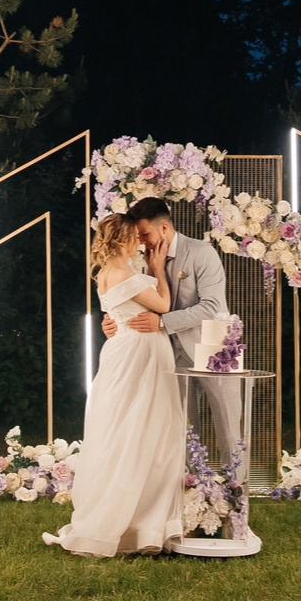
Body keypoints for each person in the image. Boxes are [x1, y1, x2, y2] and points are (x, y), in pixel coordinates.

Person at [47, 213, 187, 556]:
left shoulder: (103, 276)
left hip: (120, 349)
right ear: (123, 240)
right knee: (147, 429)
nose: (140, 243)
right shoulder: (130, 275)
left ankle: (136, 518)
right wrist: (157, 272)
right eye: (135, 238)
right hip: (142, 353)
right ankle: (141, 521)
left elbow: (118, 313)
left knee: (120, 426)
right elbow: (165, 306)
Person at [103, 197, 241, 470]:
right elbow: (127, 297)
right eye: (137, 237)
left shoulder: (201, 253)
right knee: (183, 430)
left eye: (145, 235)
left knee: (229, 428)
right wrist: (112, 320)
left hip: (213, 351)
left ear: (164, 228)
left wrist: (164, 322)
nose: (141, 242)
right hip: (166, 357)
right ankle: (191, 489)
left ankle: (236, 492)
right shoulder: (138, 262)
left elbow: (212, 306)